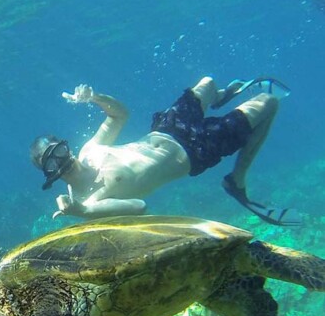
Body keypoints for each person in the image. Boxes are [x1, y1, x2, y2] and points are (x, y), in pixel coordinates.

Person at [30, 77, 299, 225]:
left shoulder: (90, 150)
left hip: (168, 129)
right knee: (268, 102)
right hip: (197, 148)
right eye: (52, 163)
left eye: (60, 151)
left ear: (67, 147)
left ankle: (221, 97)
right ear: (50, 175)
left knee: (206, 83)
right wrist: (83, 212)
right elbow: (139, 207)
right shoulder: (88, 200)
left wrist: (96, 98)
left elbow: (119, 116)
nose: (62, 162)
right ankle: (237, 181)